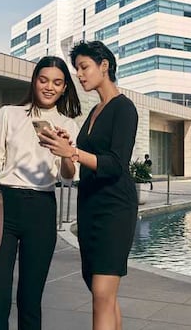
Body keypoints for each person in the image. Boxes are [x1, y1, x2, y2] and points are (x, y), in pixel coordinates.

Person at [0, 56, 81, 330]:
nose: (49, 87)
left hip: (42, 210)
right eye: (43, 80)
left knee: (30, 300)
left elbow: (68, 176)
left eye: (57, 82)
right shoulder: (9, 114)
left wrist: (64, 151)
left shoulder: (68, 125)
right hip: (3, 206)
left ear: (64, 88)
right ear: (34, 81)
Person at [41, 41, 138, 330]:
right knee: (101, 292)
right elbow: (86, 156)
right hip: (90, 206)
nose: (79, 75)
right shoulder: (95, 111)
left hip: (114, 208)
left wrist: (73, 152)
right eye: (77, 70)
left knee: (102, 295)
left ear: (104, 65)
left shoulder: (124, 108)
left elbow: (116, 164)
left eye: (84, 67)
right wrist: (68, 145)